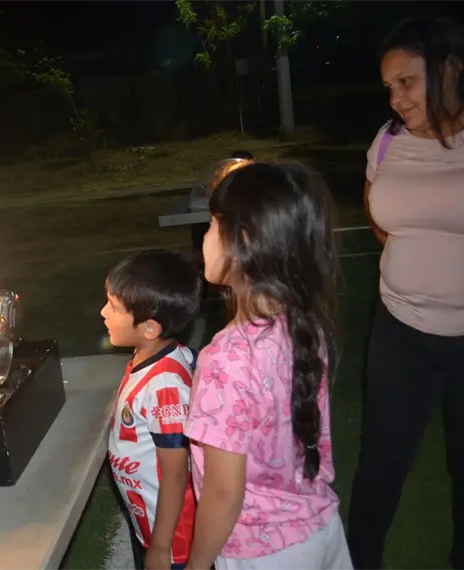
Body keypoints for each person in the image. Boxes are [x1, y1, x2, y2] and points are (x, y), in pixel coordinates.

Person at [347, 15, 464, 570]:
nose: (395, 99)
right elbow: (378, 216)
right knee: (381, 460)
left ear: (450, 67)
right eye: (388, 87)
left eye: (407, 81)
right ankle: (358, 561)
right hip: (399, 328)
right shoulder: (388, 142)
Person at [184, 163, 352, 570]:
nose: (203, 237)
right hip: (321, 529)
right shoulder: (303, 323)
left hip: (263, 553)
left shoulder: (225, 360)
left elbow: (224, 495)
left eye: (210, 225)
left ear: (241, 241)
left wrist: (196, 565)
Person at [100, 249, 205, 570]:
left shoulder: (165, 387)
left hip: (173, 540)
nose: (103, 312)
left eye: (114, 307)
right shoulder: (149, 357)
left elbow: (176, 472)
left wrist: (160, 548)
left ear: (149, 328)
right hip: (147, 520)